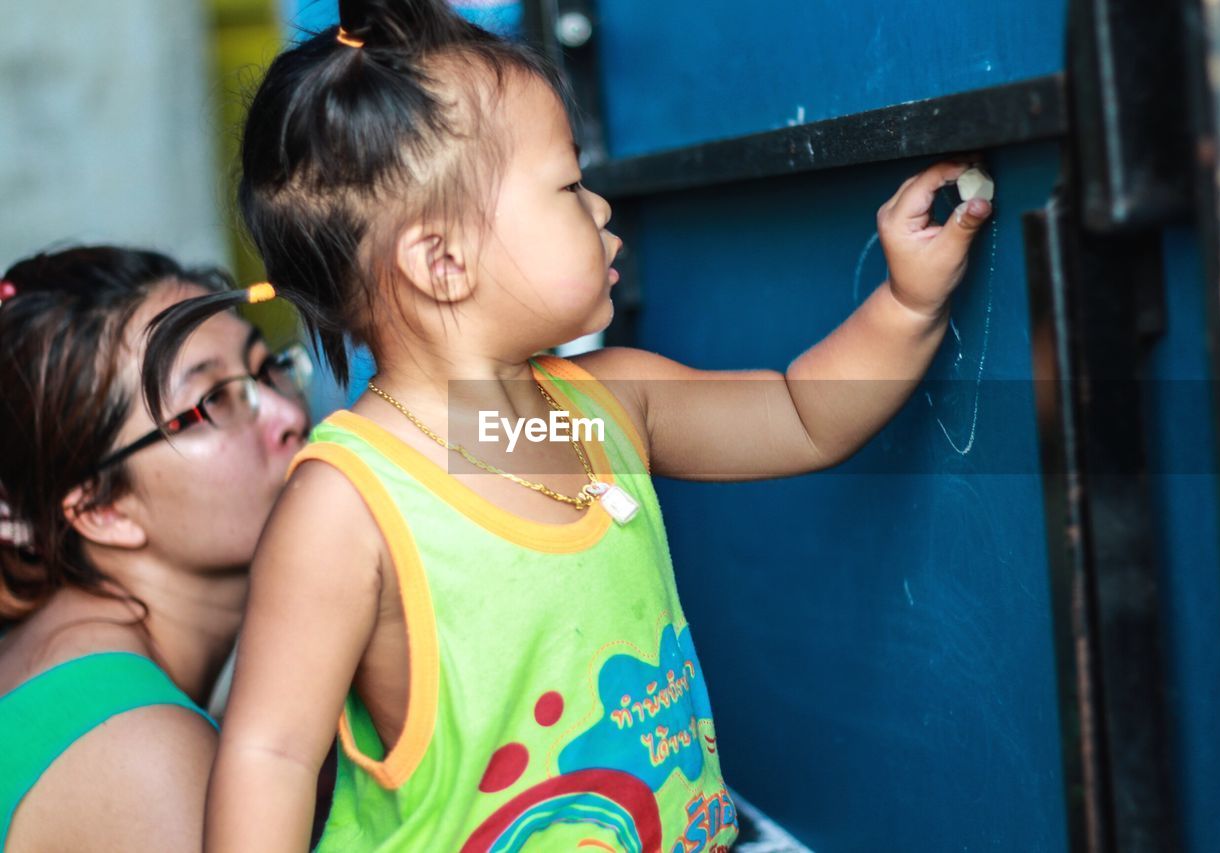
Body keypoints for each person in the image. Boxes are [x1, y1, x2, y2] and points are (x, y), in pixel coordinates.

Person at [143, 0, 993, 849]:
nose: (599, 209)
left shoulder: (604, 410)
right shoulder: (349, 506)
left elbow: (804, 413)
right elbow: (272, 756)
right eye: (567, 186)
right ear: (443, 263)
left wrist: (908, 300)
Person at [0, 246, 310, 851]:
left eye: (267, 367)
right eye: (213, 401)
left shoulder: (66, 676)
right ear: (100, 509)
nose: (287, 414)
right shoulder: (144, 752)